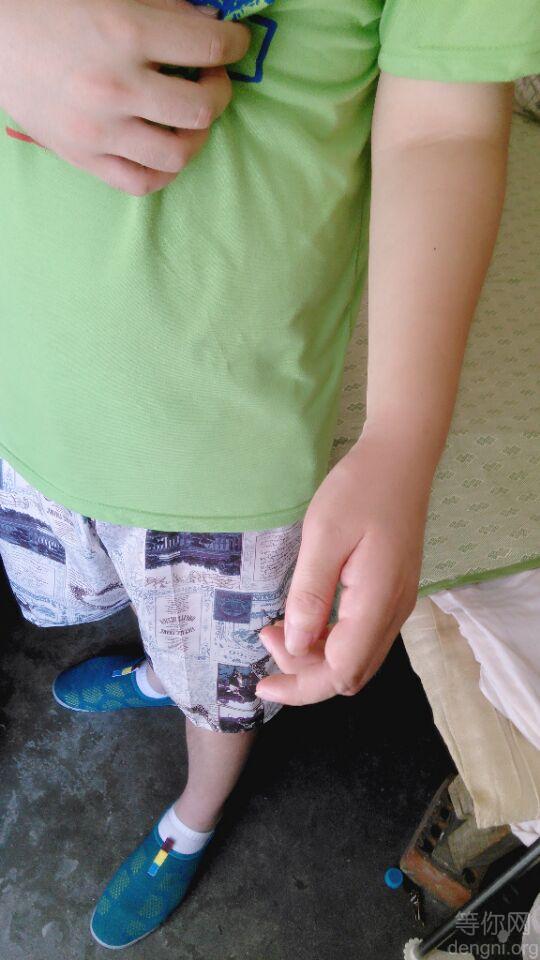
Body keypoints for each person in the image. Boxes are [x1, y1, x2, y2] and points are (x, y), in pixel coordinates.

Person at [0, 0, 538, 949]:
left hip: (229, 465)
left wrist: (404, 440)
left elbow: (444, 125)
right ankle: (161, 674)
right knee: (102, 594)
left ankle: (195, 812)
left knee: (227, 689)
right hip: (26, 389)